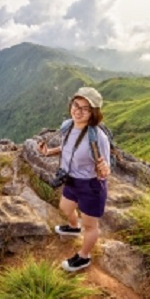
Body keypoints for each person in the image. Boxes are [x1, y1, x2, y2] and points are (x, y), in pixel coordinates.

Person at [38, 87, 111, 272]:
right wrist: (49, 152)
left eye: (85, 108)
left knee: (90, 225)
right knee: (65, 207)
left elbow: (106, 168)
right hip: (71, 179)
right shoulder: (67, 125)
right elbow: (66, 147)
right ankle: (73, 226)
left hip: (91, 185)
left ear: (93, 113)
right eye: (76, 105)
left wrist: (103, 170)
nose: (77, 111)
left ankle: (84, 257)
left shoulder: (98, 137)